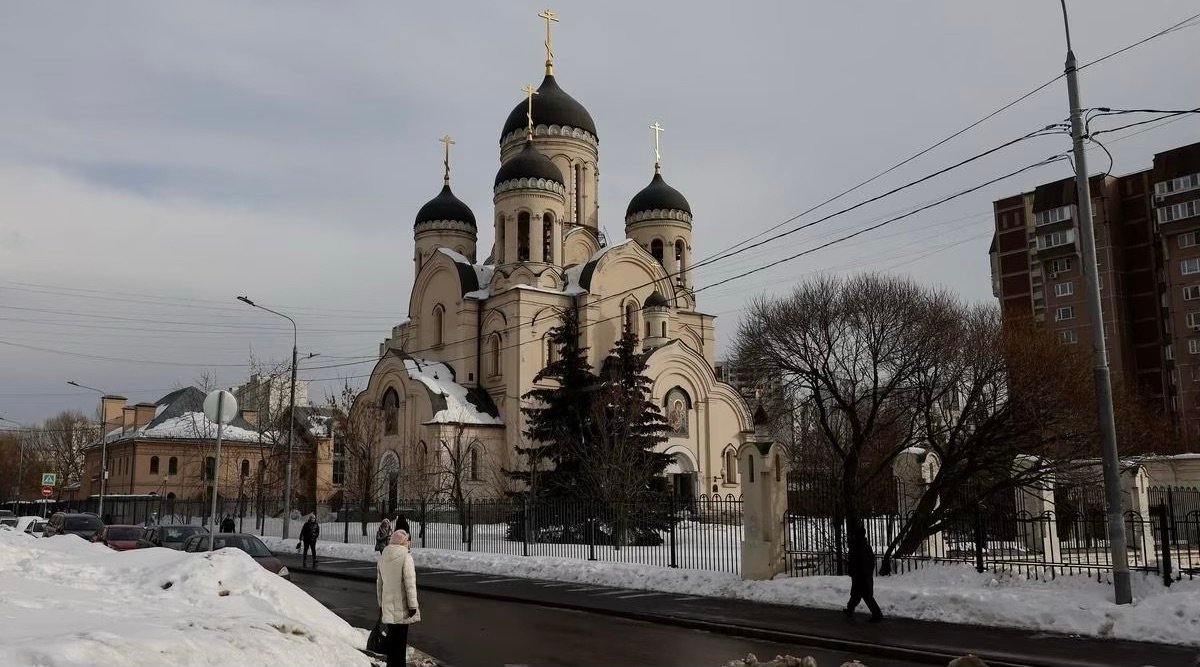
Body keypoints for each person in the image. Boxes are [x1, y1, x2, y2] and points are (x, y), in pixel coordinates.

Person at [376, 530, 420, 667]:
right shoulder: (406, 557)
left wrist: (381, 604)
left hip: (388, 606)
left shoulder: (383, 557)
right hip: (403, 607)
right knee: (401, 642)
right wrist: (413, 606)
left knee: (392, 641)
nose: (408, 544)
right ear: (403, 542)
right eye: (407, 541)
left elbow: (379, 584)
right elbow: (410, 584)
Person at [844, 522, 883, 622]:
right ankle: (850, 609)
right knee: (858, 594)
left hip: (860, 575)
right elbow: (870, 560)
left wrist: (854, 571)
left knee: (863, 595)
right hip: (864, 575)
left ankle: (877, 614)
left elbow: (855, 561)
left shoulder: (857, 547)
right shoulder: (865, 546)